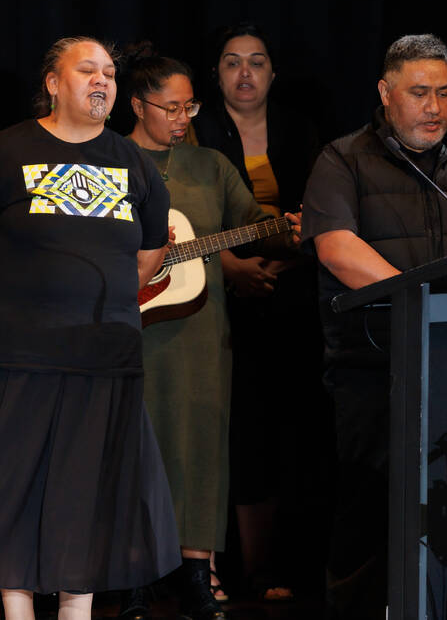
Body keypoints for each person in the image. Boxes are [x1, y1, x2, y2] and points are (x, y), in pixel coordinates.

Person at [0, 37, 180, 620]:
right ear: (52, 82)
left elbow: (150, 255)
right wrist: (6, 303)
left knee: (88, 493)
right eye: (87, 70)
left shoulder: (132, 161)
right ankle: (17, 612)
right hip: (21, 355)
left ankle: (78, 611)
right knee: (12, 489)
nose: (102, 81)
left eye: (109, 74)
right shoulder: (5, 152)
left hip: (105, 358)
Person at [300, 34, 447, 619]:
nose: (434, 108)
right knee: (371, 514)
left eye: (444, 93)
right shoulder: (343, 158)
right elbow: (337, 249)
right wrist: (418, 298)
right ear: (386, 92)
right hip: (376, 369)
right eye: (420, 93)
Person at [119, 50, 300, 620]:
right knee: (133, 451)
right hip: (131, 334)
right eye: (170, 107)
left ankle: (198, 577)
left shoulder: (211, 164)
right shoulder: (110, 161)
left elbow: (254, 228)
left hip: (201, 337)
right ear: (136, 105)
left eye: (188, 105)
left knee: (202, 451)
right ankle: (133, 581)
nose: (181, 116)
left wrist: (294, 232)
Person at [193, 23, 322, 603]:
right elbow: (182, 224)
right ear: (215, 74)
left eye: (257, 62)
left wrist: (283, 269)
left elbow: (322, 213)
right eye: (231, 63)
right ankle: (248, 573)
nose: (244, 74)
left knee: (295, 430)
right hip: (218, 298)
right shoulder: (195, 134)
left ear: (273, 72)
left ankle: (289, 569)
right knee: (242, 433)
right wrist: (234, 270)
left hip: (296, 295)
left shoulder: (301, 130)